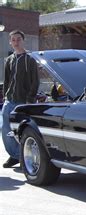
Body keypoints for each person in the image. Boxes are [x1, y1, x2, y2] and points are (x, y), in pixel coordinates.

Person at [2, 30, 39, 168]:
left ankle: (25, 157)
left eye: (18, 39)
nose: (16, 42)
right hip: (9, 101)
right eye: (13, 40)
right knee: (6, 130)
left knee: (23, 131)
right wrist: (6, 95)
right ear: (10, 42)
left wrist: (30, 99)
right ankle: (14, 155)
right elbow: (6, 80)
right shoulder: (9, 60)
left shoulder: (30, 59)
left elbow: (35, 81)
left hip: (24, 102)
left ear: (23, 41)